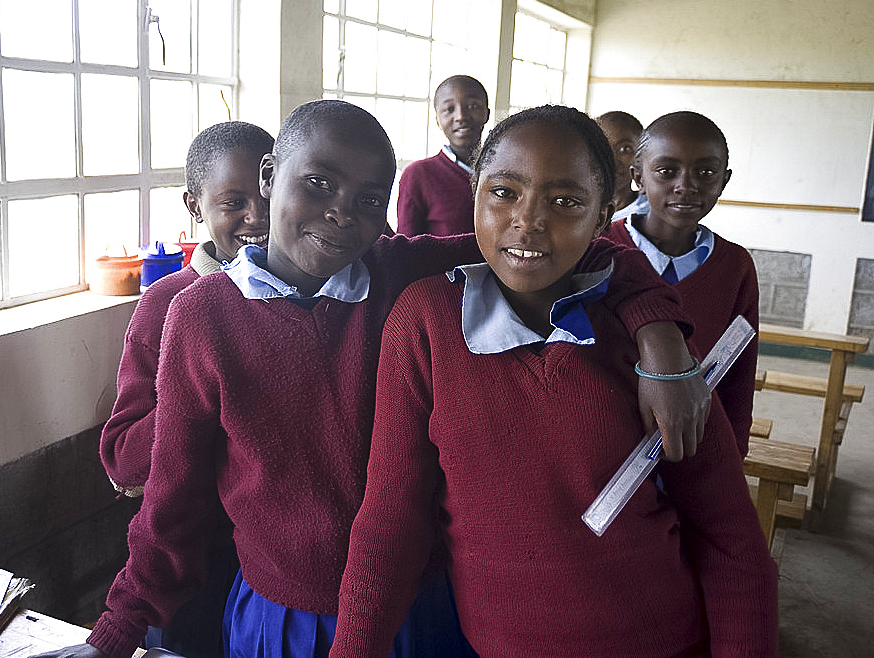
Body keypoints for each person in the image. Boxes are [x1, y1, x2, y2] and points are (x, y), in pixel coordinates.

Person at [33, 100, 708, 658]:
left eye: (368, 199)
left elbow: (586, 248)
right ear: (271, 175)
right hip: (280, 617)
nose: (340, 213)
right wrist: (115, 633)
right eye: (318, 182)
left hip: (419, 604)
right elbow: (170, 504)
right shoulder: (198, 317)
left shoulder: (401, 273)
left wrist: (660, 338)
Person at [330, 105, 778, 658]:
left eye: (565, 201)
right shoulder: (424, 323)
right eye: (504, 192)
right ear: (475, 193)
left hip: (661, 636)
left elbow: (730, 537)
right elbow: (389, 523)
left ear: (604, 216)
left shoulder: (650, 344)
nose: (528, 221)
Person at [99, 121, 274, 658]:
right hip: (191, 565)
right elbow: (123, 461)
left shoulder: (306, 297)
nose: (257, 217)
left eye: (268, 193)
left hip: (273, 568)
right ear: (194, 205)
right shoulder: (169, 303)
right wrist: (204, 386)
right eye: (234, 202)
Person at [604, 111, 758, 456]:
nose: (685, 186)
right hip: (609, 446)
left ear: (724, 180)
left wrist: (734, 453)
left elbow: (739, 375)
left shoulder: (735, 266)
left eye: (705, 172)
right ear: (638, 177)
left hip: (696, 444)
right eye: (666, 171)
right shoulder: (600, 252)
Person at [395, 75, 490, 236]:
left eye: (473, 106)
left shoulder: (504, 170)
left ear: (486, 113)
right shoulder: (419, 174)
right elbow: (406, 245)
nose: (461, 116)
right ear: (438, 120)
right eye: (448, 109)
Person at [596, 110, 645, 219]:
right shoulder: (577, 208)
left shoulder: (648, 213)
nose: (612, 159)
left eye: (625, 149)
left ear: (641, 156)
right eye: (603, 148)